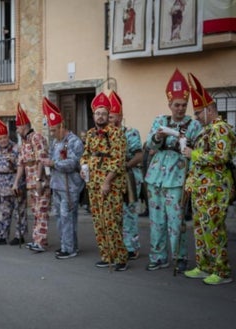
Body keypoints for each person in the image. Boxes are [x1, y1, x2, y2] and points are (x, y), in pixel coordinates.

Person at [144, 69, 201, 272]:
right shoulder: (160, 120)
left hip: (177, 179)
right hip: (155, 178)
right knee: (156, 221)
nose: (180, 109)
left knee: (176, 221)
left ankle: (180, 256)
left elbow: (198, 151)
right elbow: (149, 144)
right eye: (176, 105)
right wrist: (158, 137)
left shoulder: (194, 125)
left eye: (184, 105)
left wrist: (192, 178)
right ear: (169, 105)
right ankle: (158, 256)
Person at [182, 73, 235, 285]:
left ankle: (222, 272)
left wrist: (192, 154)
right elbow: (199, 163)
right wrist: (190, 182)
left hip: (216, 188)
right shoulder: (205, 131)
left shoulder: (221, 128)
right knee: (200, 228)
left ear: (209, 109)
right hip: (201, 189)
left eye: (198, 113)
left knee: (214, 229)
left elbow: (220, 157)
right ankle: (204, 266)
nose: (196, 117)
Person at [80, 91, 129, 271]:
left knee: (112, 221)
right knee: (99, 221)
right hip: (93, 183)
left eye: (103, 113)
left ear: (109, 115)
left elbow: (118, 160)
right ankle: (106, 255)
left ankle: (120, 258)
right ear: (93, 115)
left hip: (111, 185)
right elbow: (85, 155)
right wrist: (83, 167)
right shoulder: (91, 134)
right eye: (97, 113)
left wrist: (107, 181)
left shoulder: (117, 134)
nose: (100, 116)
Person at [40, 98, 84, 259]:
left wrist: (53, 163)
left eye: (53, 130)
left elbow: (73, 163)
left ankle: (70, 248)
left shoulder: (74, 141)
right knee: (60, 217)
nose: (51, 133)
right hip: (56, 185)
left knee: (67, 217)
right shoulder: (55, 143)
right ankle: (67, 245)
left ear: (61, 126)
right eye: (50, 130)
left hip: (69, 186)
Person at [108, 91, 143, 261]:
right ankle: (117, 245)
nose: (110, 120)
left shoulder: (131, 132)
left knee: (129, 212)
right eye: (108, 117)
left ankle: (132, 247)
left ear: (120, 116)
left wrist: (123, 167)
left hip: (129, 176)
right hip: (111, 178)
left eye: (112, 117)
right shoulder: (104, 135)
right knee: (115, 213)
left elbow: (138, 156)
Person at [12, 103, 51, 252]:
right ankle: (37, 239)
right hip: (30, 183)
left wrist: (39, 180)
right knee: (35, 212)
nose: (17, 130)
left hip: (40, 182)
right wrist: (16, 183)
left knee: (41, 211)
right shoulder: (24, 142)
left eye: (18, 127)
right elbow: (21, 164)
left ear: (24, 126)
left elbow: (41, 159)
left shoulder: (37, 138)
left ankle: (41, 242)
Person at [0, 116, 27, 246]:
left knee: (19, 211)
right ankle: (1, 235)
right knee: (4, 211)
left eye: (4, 137)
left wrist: (18, 182)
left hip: (16, 184)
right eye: (0, 139)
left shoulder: (16, 149)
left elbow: (22, 166)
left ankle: (19, 235)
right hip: (2, 186)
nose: (3, 140)